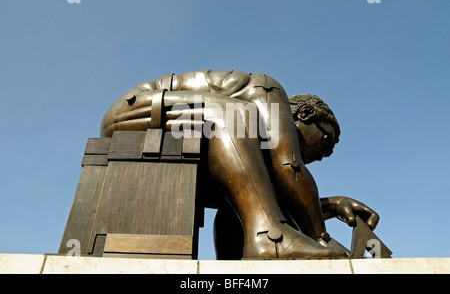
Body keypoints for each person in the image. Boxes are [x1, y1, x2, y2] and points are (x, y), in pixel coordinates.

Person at [101, 69, 379, 259]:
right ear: (305, 115)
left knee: (245, 196)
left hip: (167, 118)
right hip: (134, 112)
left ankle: (243, 261)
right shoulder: (268, 91)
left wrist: (331, 204)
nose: (322, 155)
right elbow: (289, 166)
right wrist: (321, 237)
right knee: (234, 114)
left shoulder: (252, 145)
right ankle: (269, 239)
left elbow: (260, 193)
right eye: (325, 142)